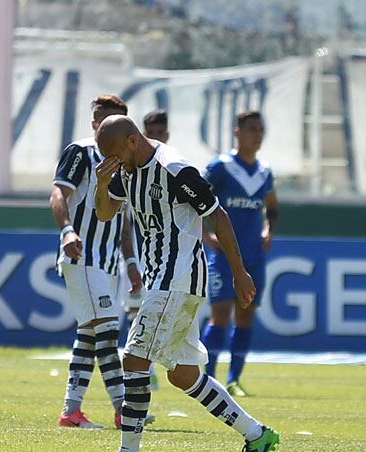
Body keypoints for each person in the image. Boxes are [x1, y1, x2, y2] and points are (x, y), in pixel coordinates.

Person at [93, 115, 279, 452]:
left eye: (115, 154)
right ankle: (257, 434)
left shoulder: (175, 170)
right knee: (182, 374)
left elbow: (217, 215)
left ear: (132, 141)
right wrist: (101, 185)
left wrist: (239, 271)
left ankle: (128, 449)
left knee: (134, 360)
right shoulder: (125, 169)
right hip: (161, 281)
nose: (112, 162)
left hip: (177, 278)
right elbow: (105, 213)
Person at [50, 94, 151, 430]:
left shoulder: (124, 161)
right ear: (93, 123)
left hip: (107, 264)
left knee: (90, 334)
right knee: (107, 331)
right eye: (99, 119)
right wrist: (67, 230)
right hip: (82, 256)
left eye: (110, 121)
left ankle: (71, 411)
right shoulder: (80, 152)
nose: (101, 126)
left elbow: (121, 217)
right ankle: (123, 408)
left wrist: (131, 260)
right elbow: (58, 193)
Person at [201, 111, 278, 397]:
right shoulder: (221, 167)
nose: (257, 135)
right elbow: (193, 198)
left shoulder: (265, 171)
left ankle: (234, 380)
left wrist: (269, 229)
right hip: (224, 256)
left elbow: (272, 205)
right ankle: (206, 379)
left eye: (260, 130)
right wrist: (204, 234)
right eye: (251, 129)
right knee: (219, 315)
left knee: (245, 317)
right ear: (237, 132)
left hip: (254, 256)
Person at [119, 108, 172, 391]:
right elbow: (123, 225)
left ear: (167, 135)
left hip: (170, 261)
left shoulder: (174, 167)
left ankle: (146, 366)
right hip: (141, 258)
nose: (155, 138)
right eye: (149, 133)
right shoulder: (130, 170)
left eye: (159, 133)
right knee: (137, 314)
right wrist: (130, 262)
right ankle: (141, 371)